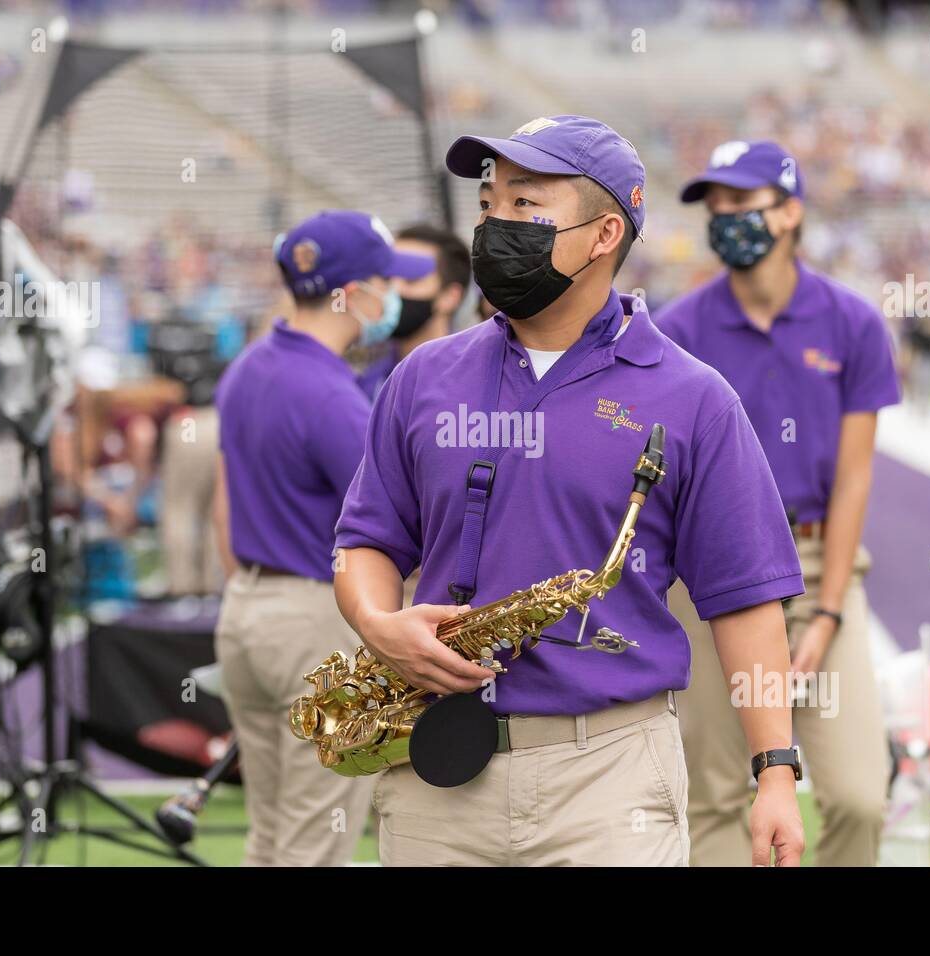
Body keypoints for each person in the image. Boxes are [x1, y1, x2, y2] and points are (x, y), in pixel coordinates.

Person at [332, 116, 807, 867]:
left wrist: (774, 772)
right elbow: (366, 540)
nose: (494, 224)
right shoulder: (422, 377)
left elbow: (746, 600)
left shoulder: (695, 398)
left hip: (611, 777)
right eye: (490, 204)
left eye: (526, 204)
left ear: (605, 232)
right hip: (436, 777)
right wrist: (375, 622)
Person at [656, 139, 900, 867]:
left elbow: (853, 479)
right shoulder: (678, 329)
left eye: (742, 204)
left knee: (860, 796)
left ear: (790, 212)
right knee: (717, 798)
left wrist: (826, 610)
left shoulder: (853, 324)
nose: (726, 218)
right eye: (716, 207)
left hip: (818, 556)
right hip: (709, 567)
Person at [211, 210, 433, 866]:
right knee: (317, 845)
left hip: (245, 612)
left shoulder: (249, 366)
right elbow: (398, 522)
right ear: (354, 291)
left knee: (271, 838)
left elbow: (226, 509)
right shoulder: (332, 394)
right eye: (388, 280)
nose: (396, 296)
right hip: (312, 619)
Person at [356, 223, 470, 402]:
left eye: (411, 279)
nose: (394, 290)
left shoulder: (473, 381)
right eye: (388, 277)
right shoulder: (369, 382)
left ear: (450, 297)